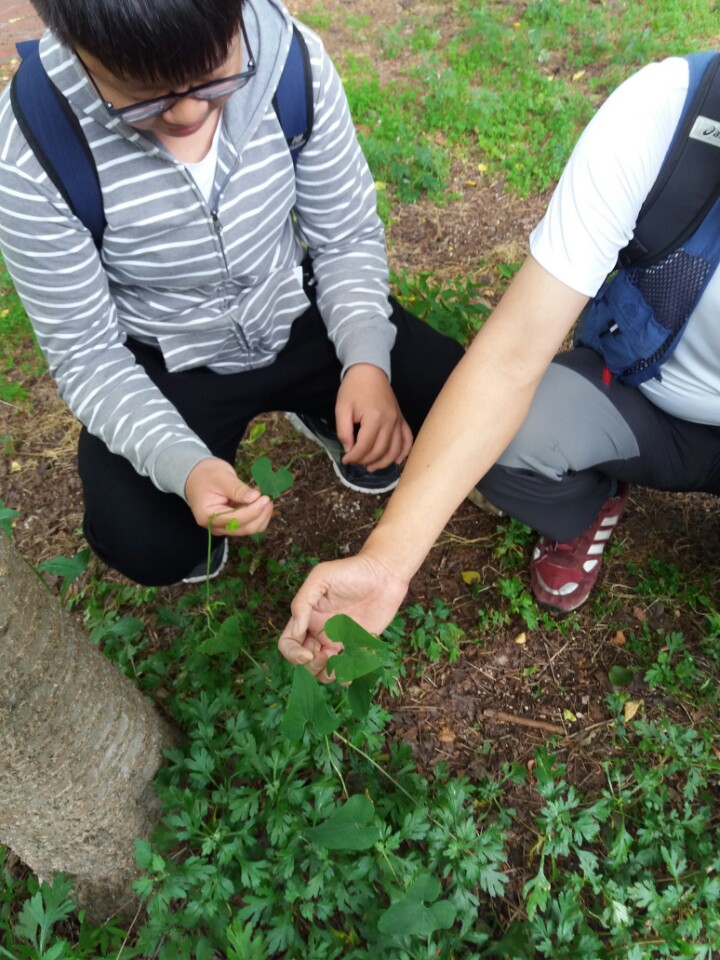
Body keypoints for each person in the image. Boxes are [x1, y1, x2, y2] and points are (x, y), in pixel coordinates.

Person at [279, 52, 720, 680]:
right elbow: (509, 360)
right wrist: (387, 561)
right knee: (506, 436)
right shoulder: (665, 115)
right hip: (652, 399)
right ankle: (588, 504)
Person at [0, 0, 464, 586]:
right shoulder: (34, 144)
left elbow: (344, 237)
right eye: (145, 96)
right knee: (143, 539)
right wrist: (185, 468)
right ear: (75, 43)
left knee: (462, 398)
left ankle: (328, 403)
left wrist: (366, 362)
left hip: (297, 312)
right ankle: (195, 510)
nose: (188, 112)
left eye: (215, 74)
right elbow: (88, 356)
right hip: (168, 359)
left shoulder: (290, 59)